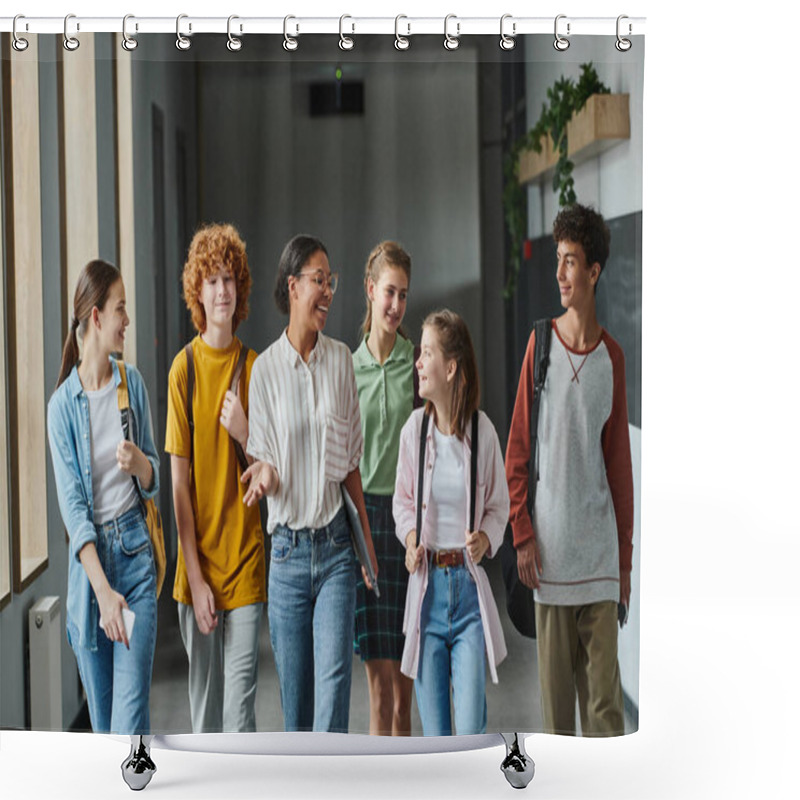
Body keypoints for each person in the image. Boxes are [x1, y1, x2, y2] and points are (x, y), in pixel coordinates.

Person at [505, 203, 634, 737]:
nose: (559, 274)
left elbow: (619, 469)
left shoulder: (613, 359)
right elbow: (516, 453)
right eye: (557, 260)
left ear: (594, 272)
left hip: (600, 564)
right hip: (551, 566)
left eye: (570, 262)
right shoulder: (541, 347)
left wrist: (625, 569)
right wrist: (523, 537)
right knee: (557, 725)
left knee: (604, 717)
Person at [243, 234, 378, 733]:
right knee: (297, 710)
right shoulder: (264, 372)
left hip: (337, 550)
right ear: (292, 285)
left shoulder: (342, 360)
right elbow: (270, 464)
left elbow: (349, 468)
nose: (328, 291)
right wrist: (264, 474)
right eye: (319, 280)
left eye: (331, 281)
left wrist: (365, 544)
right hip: (288, 558)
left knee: (334, 690)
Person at [47, 259, 159, 734]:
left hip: (134, 565)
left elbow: (154, 476)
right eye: (121, 309)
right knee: (105, 732)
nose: (127, 321)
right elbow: (74, 510)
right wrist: (102, 593)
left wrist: (141, 465)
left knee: (129, 724)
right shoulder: (61, 409)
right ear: (95, 316)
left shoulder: (131, 384)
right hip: (90, 585)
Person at [164, 223, 266, 733]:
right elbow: (178, 486)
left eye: (229, 279)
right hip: (197, 568)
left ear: (239, 288)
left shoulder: (255, 368)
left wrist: (245, 431)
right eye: (212, 281)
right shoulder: (183, 370)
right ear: (198, 294)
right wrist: (198, 579)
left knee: (239, 714)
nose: (222, 290)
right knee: (206, 718)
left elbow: (269, 468)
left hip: (246, 563)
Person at [393, 309, 509, 736]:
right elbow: (403, 501)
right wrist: (409, 540)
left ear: (451, 367)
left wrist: (485, 539)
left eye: (427, 354)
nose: (418, 363)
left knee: (471, 731)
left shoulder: (482, 434)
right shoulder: (413, 431)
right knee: (437, 739)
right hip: (426, 593)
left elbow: (500, 505)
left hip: (467, 598)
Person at [352, 241, 417, 736]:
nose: (395, 305)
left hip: (409, 521)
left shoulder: (417, 362)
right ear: (371, 292)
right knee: (378, 691)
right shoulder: (346, 369)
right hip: (365, 520)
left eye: (403, 295)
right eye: (389, 292)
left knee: (403, 695)